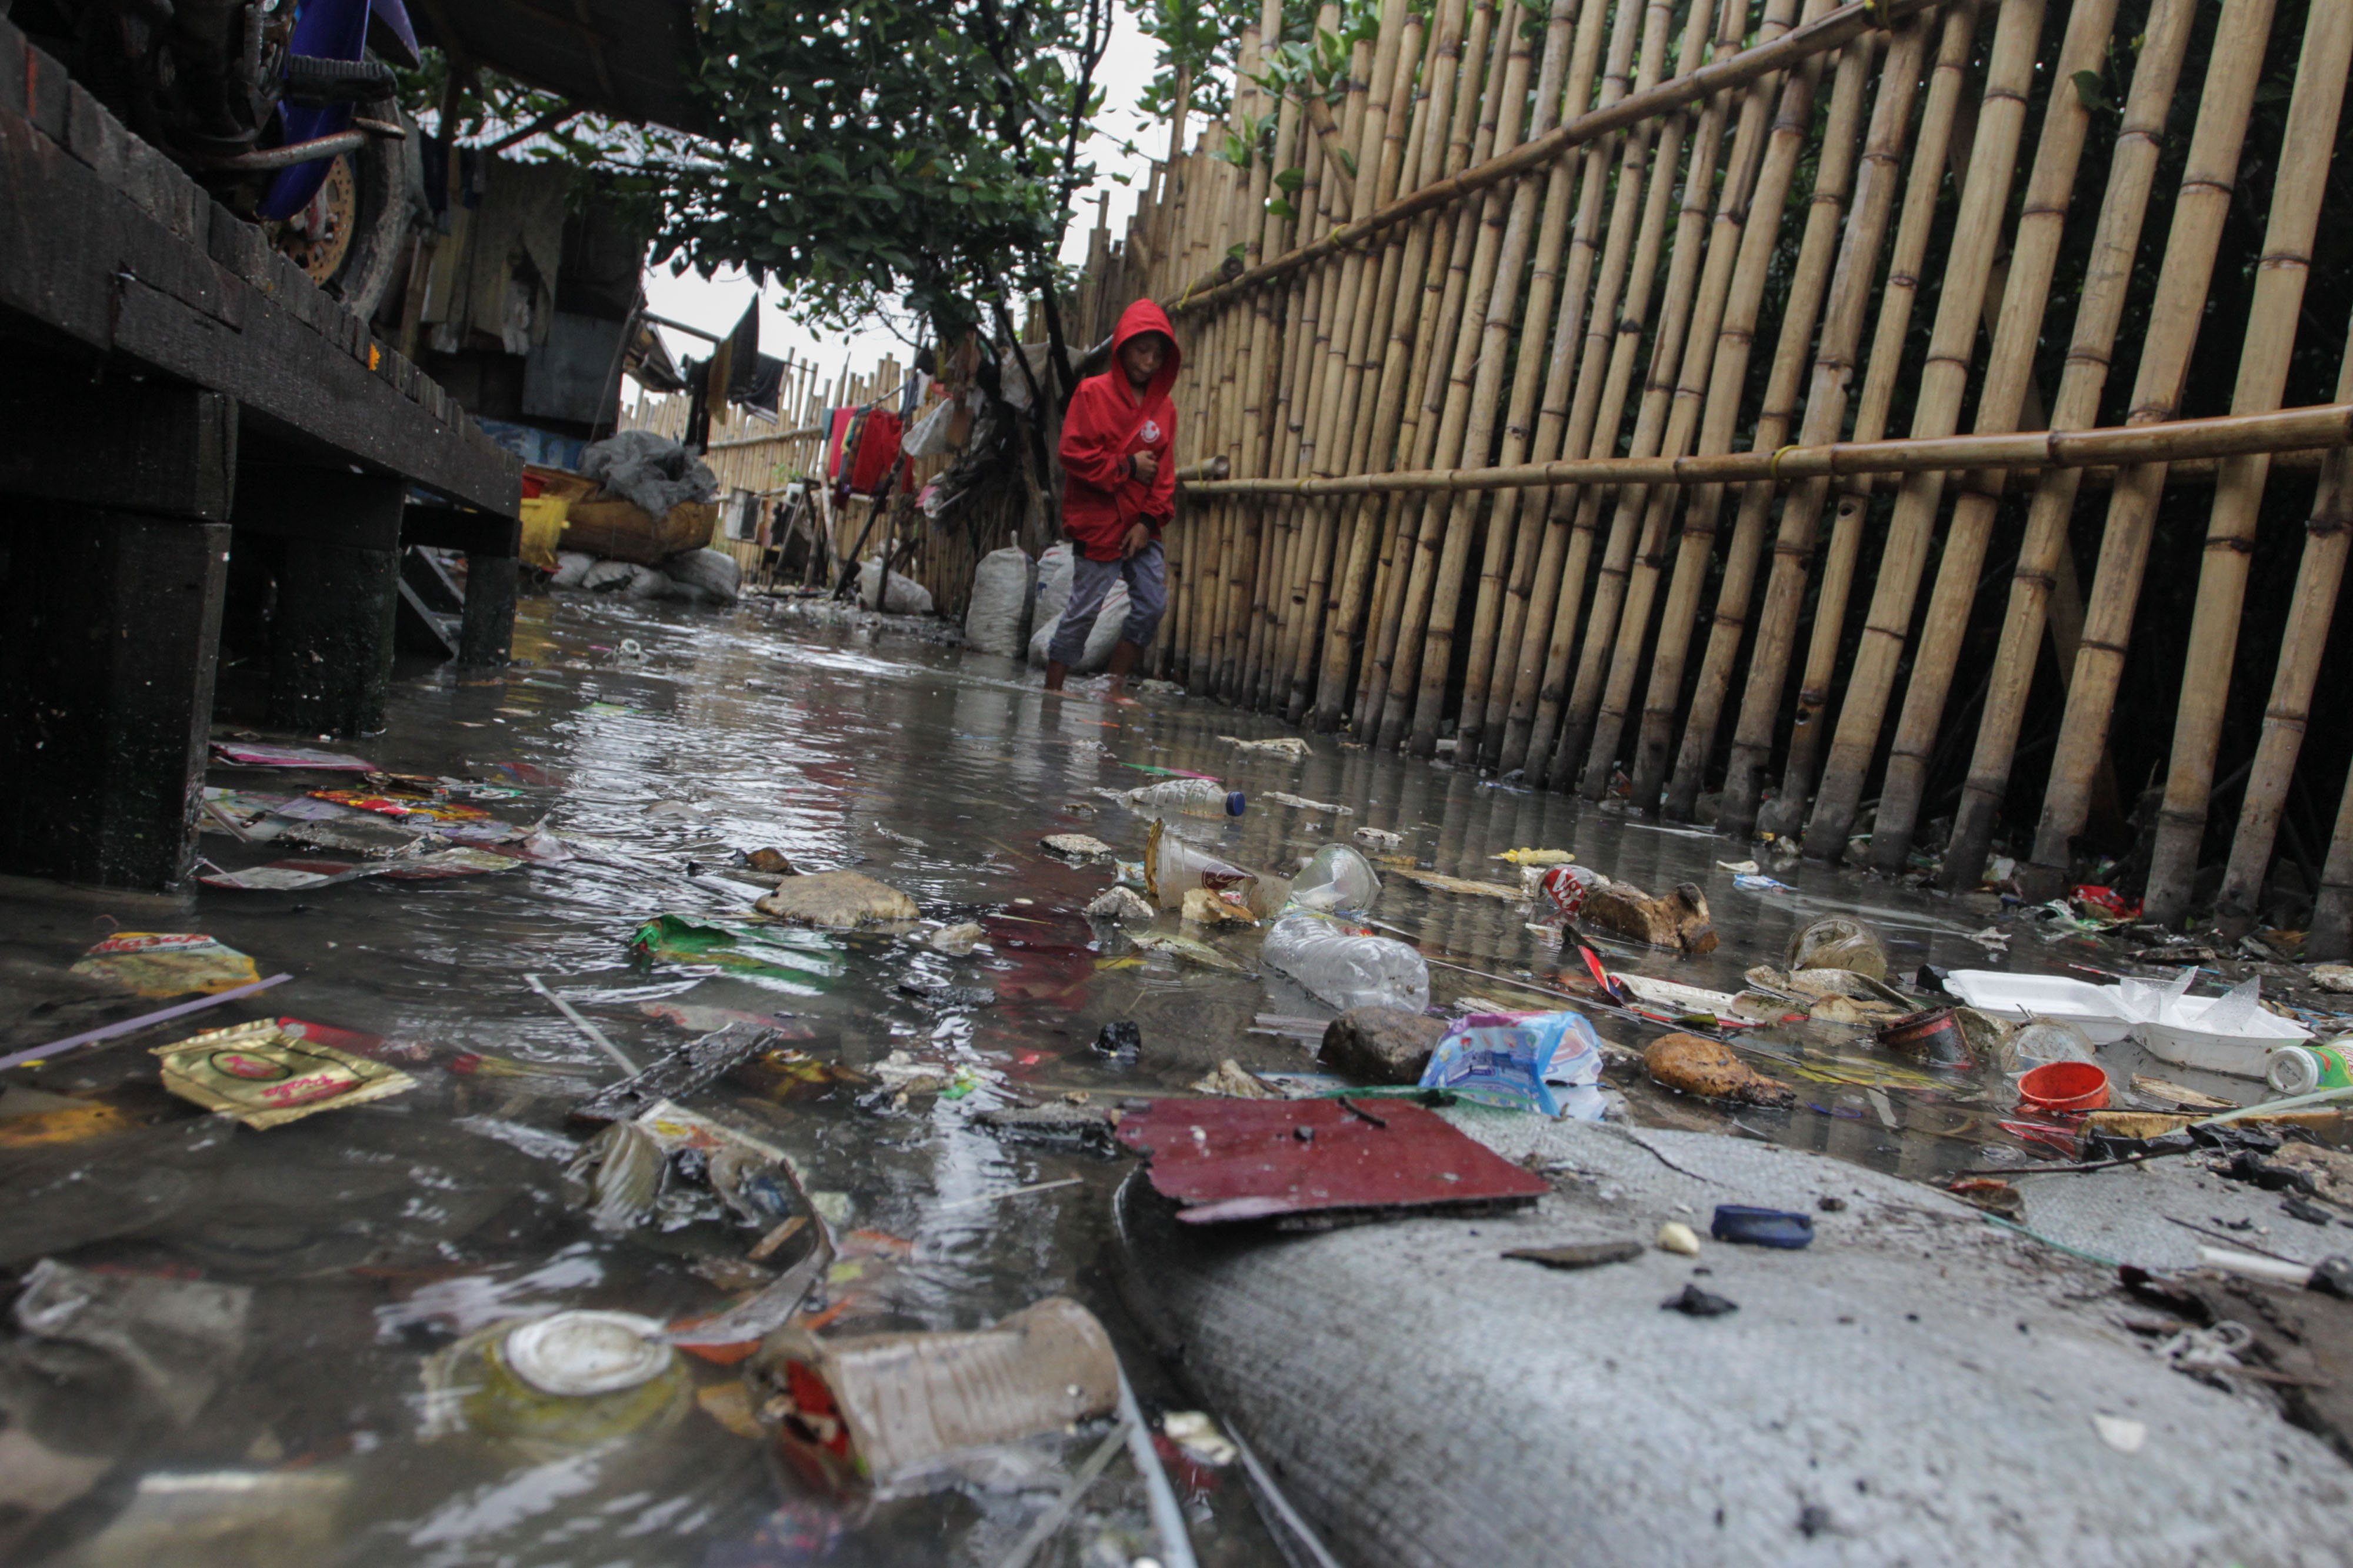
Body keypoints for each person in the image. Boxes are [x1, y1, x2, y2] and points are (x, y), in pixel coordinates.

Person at [1046, 299, 1181, 705]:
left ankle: (1112, 686)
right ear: (1122, 347)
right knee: (1085, 609)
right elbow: (1072, 453)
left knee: (1153, 605)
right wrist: (1126, 465)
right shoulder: (1091, 393)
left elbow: (1165, 474)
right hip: (1098, 521)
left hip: (1143, 525)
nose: (1150, 361)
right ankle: (1053, 687)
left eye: (1159, 354)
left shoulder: (1165, 409)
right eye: (1143, 350)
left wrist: (1146, 521)